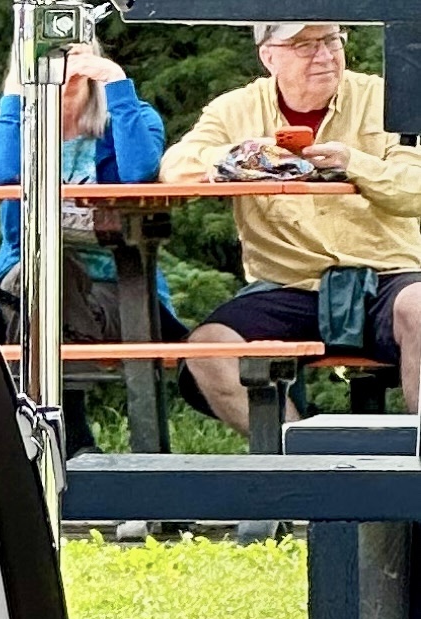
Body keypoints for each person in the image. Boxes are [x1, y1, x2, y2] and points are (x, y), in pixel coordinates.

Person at [160, 21, 421, 430]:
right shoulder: (234, 108)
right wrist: (244, 156)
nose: (324, 54)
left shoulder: (386, 97)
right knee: (210, 349)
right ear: (268, 56)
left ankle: (414, 471)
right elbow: (175, 168)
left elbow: (415, 189)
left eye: (331, 40)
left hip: (388, 277)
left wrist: (353, 163)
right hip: (288, 284)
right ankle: (296, 465)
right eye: (303, 44)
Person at [0, 44, 170, 340]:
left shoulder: (131, 115)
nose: (61, 60)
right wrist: (15, 92)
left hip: (117, 283)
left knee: (44, 294)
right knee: (45, 269)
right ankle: (64, 365)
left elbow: (138, 173)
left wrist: (114, 79)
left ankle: (46, 378)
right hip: (27, 281)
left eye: (72, 49)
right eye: (47, 51)